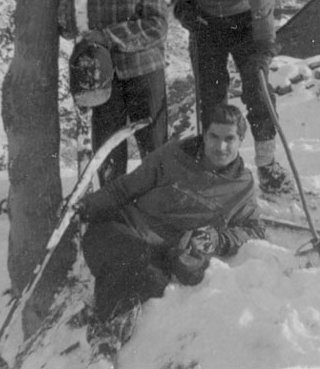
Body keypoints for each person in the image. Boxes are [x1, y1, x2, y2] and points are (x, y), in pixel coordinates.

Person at [76, 103, 265, 347]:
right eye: (214, 137)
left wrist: (219, 239)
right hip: (118, 227)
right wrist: (85, 207)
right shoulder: (173, 155)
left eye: (230, 139)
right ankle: (104, 339)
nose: (221, 147)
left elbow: (255, 230)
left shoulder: (241, 186)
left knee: (154, 281)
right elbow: (125, 188)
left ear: (241, 140)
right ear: (204, 134)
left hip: (159, 252)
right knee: (131, 258)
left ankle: (103, 308)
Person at [160, 0, 292, 193]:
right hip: (207, 23)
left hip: (246, 20)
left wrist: (264, 43)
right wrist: (184, 8)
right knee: (211, 100)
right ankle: (217, 171)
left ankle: (267, 166)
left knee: (258, 92)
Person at [80, 0, 168, 184]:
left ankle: (157, 211)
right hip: (103, 78)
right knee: (107, 154)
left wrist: (108, 37)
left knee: (155, 150)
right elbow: (70, 27)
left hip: (144, 74)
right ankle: (113, 216)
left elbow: (157, 26)